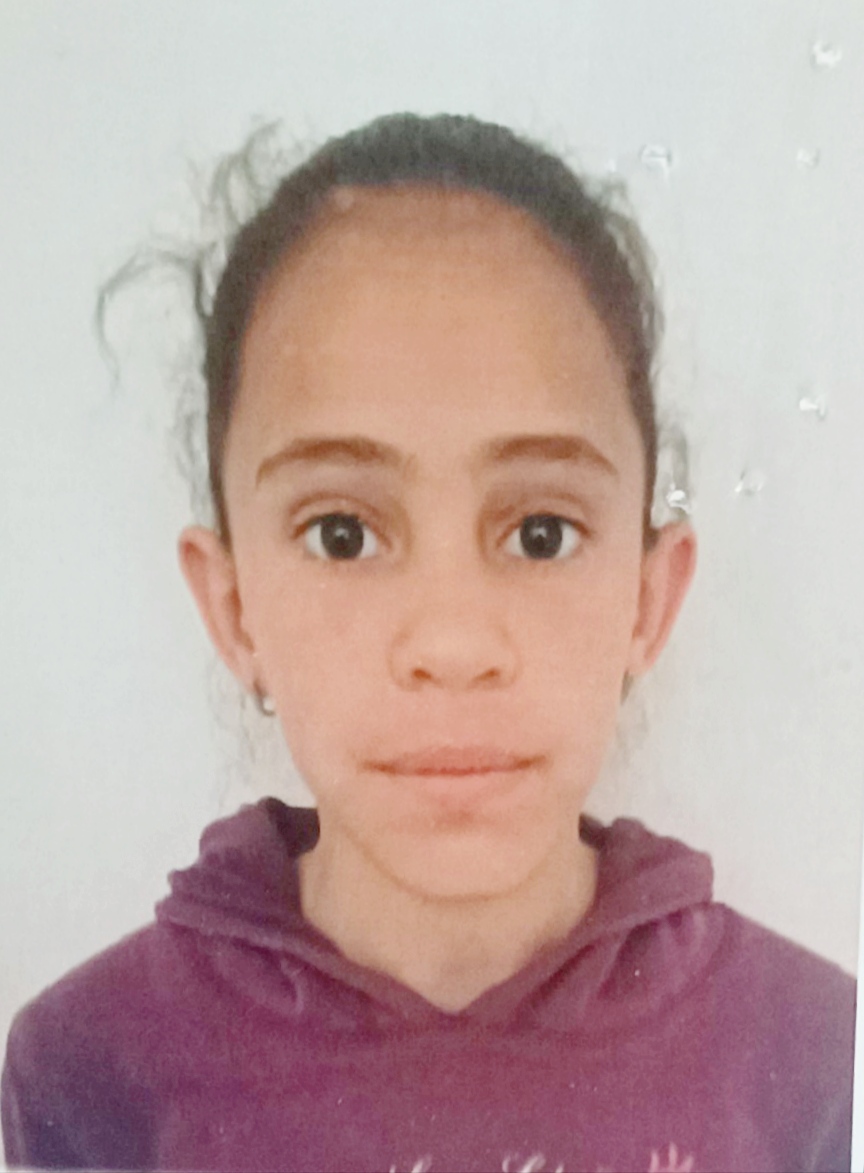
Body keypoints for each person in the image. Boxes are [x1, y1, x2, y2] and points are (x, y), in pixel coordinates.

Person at [1, 113, 854, 1173]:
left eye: (540, 533)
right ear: (233, 607)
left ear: (647, 597)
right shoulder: (90, 1068)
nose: (451, 643)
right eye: (342, 533)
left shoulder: (815, 1056)